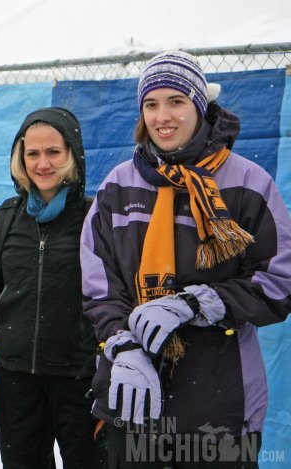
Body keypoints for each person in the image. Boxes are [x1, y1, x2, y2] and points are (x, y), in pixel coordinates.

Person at [81, 50, 291, 467]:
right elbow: (98, 285)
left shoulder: (249, 183)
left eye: (176, 102)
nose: (163, 117)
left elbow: (279, 282)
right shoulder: (117, 187)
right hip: (136, 394)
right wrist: (123, 346)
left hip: (220, 401)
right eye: (151, 104)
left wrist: (195, 303)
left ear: (199, 106)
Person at [0, 107, 103, 468]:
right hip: (17, 382)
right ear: (20, 158)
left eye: (54, 152)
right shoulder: (5, 219)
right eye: (32, 153)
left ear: (72, 154)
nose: (43, 163)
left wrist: (110, 374)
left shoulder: (96, 219)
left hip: (80, 383)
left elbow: (115, 301)